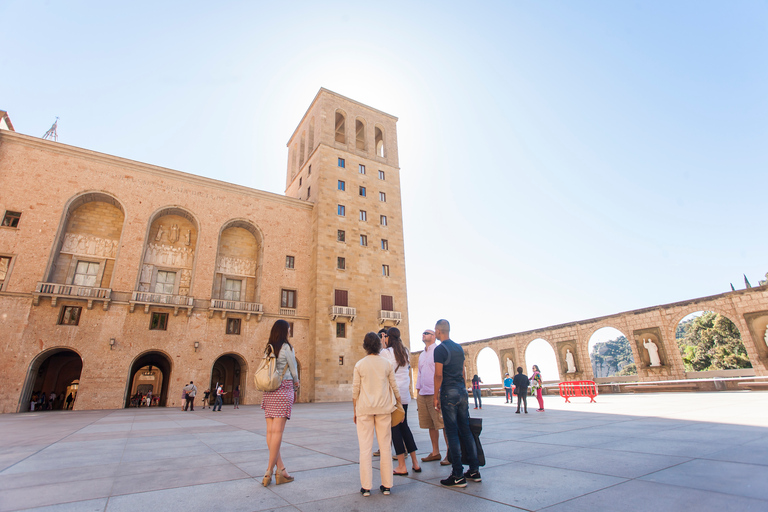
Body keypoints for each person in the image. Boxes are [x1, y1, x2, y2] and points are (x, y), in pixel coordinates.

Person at [433, 319, 481, 487]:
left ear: (438, 331)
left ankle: (458, 474)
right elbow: (463, 371)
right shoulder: (459, 348)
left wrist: (435, 395)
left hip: (449, 392)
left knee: (452, 432)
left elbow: (438, 374)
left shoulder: (439, 350)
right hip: (461, 391)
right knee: (466, 430)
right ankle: (474, 470)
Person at [353, 331, 401, 497]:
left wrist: (355, 411)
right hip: (383, 410)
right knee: (385, 447)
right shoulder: (386, 364)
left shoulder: (359, 365)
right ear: (379, 345)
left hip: (364, 410)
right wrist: (399, 402)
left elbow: (355, 392)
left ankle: (366, 487)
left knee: (365, 449)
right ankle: (387, 485)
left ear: (365, 346)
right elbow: (394, 386)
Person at [261, 319, 299, 487]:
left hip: (269, 391)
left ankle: (281, 470)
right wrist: (296, 386)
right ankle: (269, 471)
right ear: (285, 331)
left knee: (270, 433)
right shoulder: (287, 348)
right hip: (283, 389)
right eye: (289, 329)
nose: (290, 331)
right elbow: (293, 369)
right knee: (277, 433)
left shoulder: (268, 348)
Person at [380, 327, 421, 475]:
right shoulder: (405, 352)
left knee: (394, 429)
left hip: (392, 396)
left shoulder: (385, 352)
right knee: (405, 427)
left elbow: (381, 365)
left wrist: (383, 344)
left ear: (388, 338)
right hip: (404, 395)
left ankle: (402, 466)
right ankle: (415, 463)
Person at [416, 329, 450, 465]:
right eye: (423, 332)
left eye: (427, 332)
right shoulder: (421, 354)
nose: (424, 334)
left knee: (442, 424)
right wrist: (418, 391)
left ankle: (449, 452)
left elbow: (439, 372)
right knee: (430, 424)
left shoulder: (438, 351)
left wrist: (439, 393)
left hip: (435, 392)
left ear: (434, 336)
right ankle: (435, 451)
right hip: (423, 393)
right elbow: (419, 373)